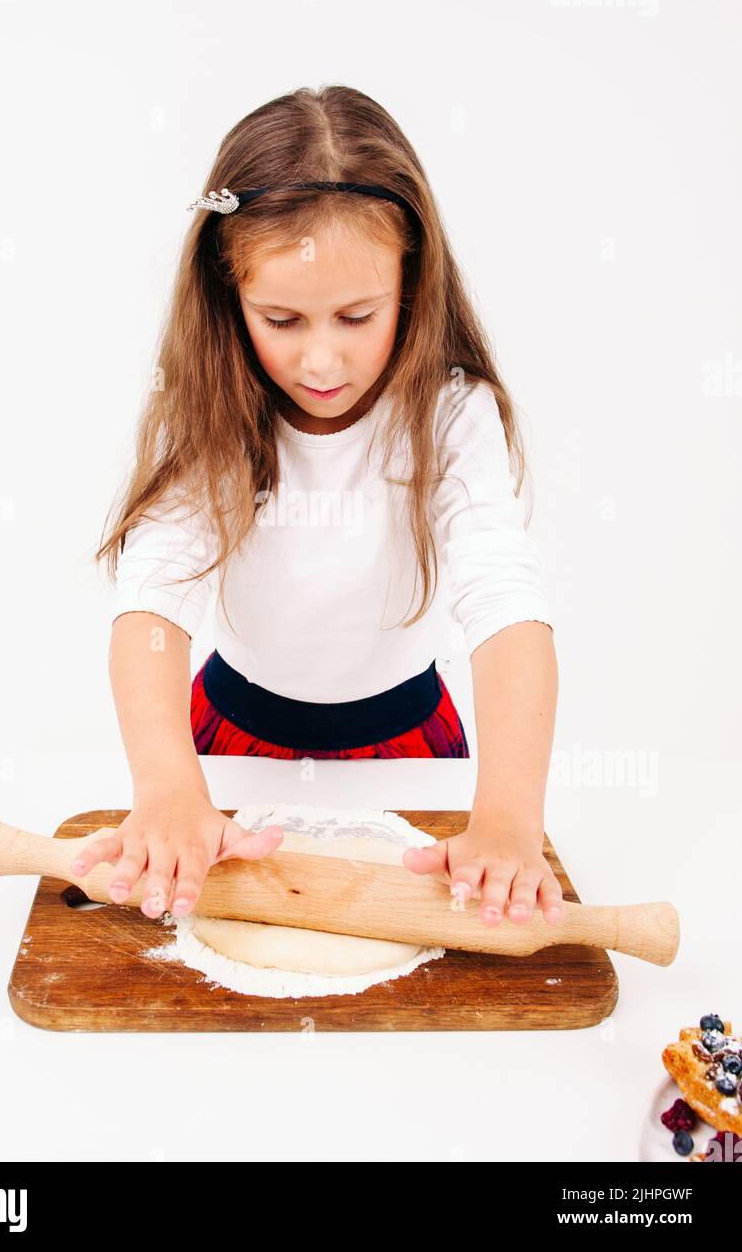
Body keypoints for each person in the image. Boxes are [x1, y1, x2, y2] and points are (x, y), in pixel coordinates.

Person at [74, 85, 563, 935]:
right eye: (283, 319)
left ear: (413, 284)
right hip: (224, 745)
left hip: (414, 750)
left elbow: (506, 602)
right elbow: (150, 600)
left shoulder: (451, 415)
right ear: (229, 297)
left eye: (357, 315)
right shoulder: (215, 412)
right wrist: (167, 789)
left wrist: (511, 820)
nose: (323, 356)